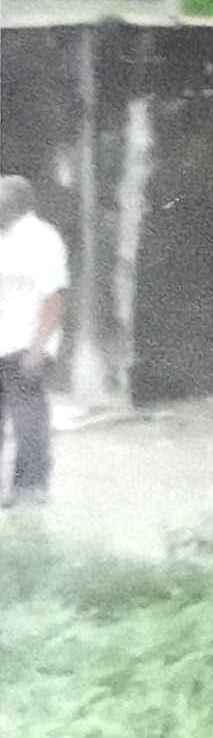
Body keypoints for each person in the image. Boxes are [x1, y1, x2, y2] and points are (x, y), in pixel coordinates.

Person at [0, 175, 69, 508]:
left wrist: (38, 348)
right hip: (2, 342)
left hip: (26, 344)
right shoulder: (3, 238)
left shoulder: (42, 238)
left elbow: (53, 297)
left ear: (15, 201)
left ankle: (30, 490)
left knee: (28, 420)